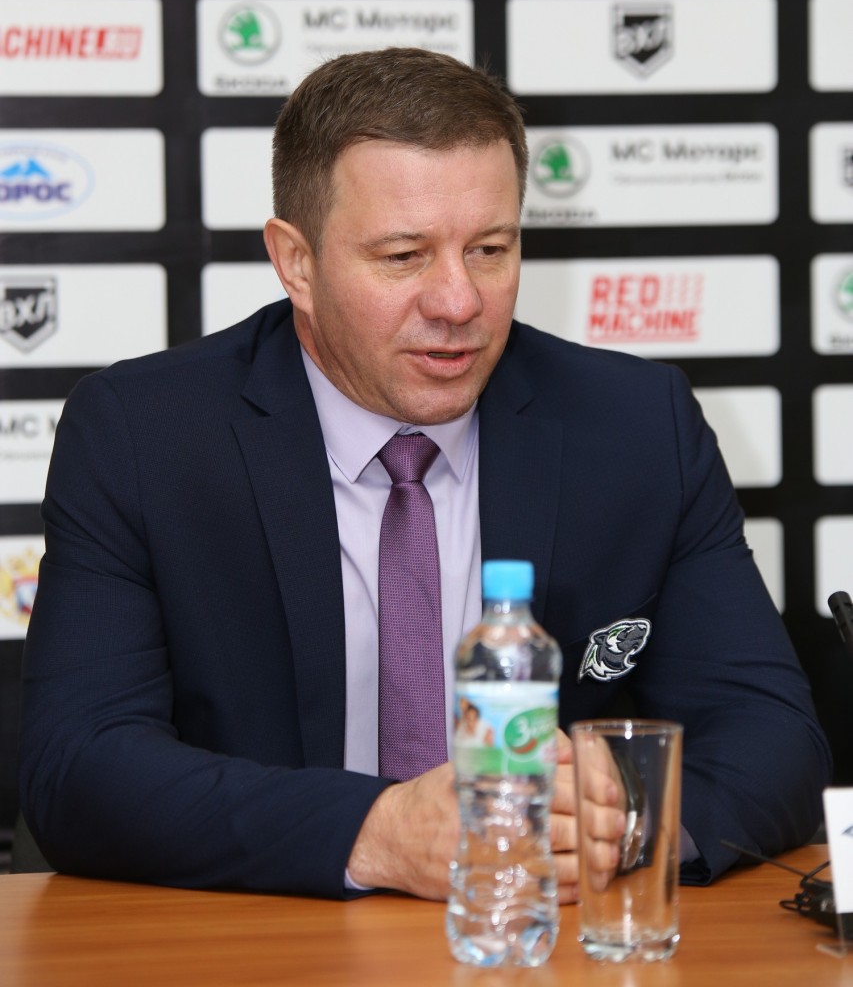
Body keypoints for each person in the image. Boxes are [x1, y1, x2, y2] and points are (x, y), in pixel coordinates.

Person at [18, 48, 830, 901]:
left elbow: (771, 734)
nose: (458, 302)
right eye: (404, 256)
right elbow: (78, 767)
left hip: (540, 932)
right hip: (270, 934)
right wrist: (377, 834)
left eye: (489, 249)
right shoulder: (143, 437)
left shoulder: (635, 426)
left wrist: (612, 821)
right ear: (296, 262)